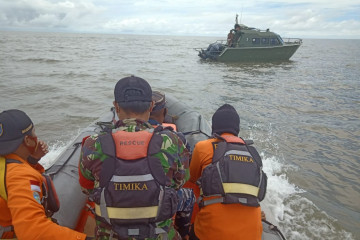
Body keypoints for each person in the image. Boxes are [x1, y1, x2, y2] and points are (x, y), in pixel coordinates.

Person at [78, 76, 191, 240]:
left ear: (116, 106)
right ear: (151, 106)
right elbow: (181, 180)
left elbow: (87, 187)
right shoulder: (172, 141)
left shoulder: (92, 144)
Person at [0, 109, 87, 240]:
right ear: (28, 140)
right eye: (34, 132)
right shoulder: (20, 175)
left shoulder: (8, 166)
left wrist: (32, 160)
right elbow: (33, 231)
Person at [188, 104, 267, 240]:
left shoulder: (203, 147)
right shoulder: (253, 153)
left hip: (208, 234)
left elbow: (192, 181)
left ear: (214, 128)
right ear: (237, 129)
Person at [149, 91, 195, 239]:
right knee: (188, 196)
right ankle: (182, 233)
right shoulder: (176, 139)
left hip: (120, 199)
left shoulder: (106, 141)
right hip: (160, 204)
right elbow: (182, 179)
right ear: (165, 112)